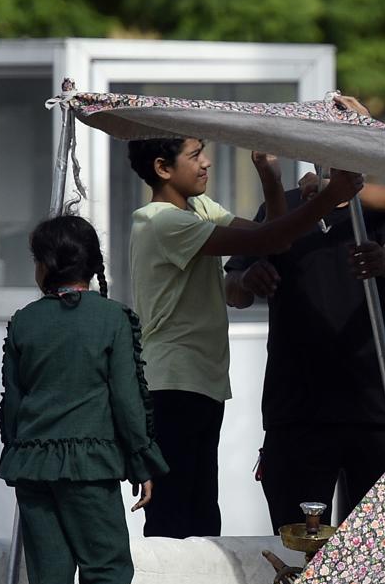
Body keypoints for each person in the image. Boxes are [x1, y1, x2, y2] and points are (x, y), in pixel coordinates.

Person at [126, 136, 361, 538]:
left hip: (198, 384)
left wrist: (270, 177)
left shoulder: (199, 209)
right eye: (195, 156)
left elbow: (278, 237)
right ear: (163, 168)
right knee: (173, 517)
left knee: (200, 518)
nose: (207, 163)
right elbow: (268, 240)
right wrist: (330, 197)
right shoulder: (162, 221)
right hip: (170, 385)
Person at [0, 215, 166, 584]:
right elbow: (128, 401)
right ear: (91, 265)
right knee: (106, 567)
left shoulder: (24, 321)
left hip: (32, 466)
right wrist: (142, 461)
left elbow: (13, 405)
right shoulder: (111, 318)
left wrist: (22, 450)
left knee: (50, 573)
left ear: (47, 266)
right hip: (91, 465)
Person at [225, 168, 385, 529]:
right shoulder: (283, 206)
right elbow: (233, 289)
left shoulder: (381, 205)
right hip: (298, 412)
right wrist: (247, 279)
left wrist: (384, 260)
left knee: (379, 545)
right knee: (299, 549)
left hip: (375, 409)